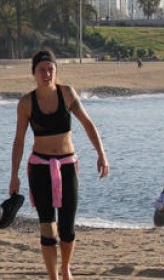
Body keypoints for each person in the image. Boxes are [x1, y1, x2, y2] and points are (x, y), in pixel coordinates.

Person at [10, 48, 110, 280]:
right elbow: (19, 140)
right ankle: (53, 276)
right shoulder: (26, 103)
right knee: (47, 225)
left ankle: (65, 267)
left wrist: (101, 154)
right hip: (39, 168)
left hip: (66, 166)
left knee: (67, 227)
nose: (47, 74)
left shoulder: (67, 94)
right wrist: (14, 175)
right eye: (42, 70)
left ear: (56, 71)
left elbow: (88, 123)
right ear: (34, 73)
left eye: (50, 69)